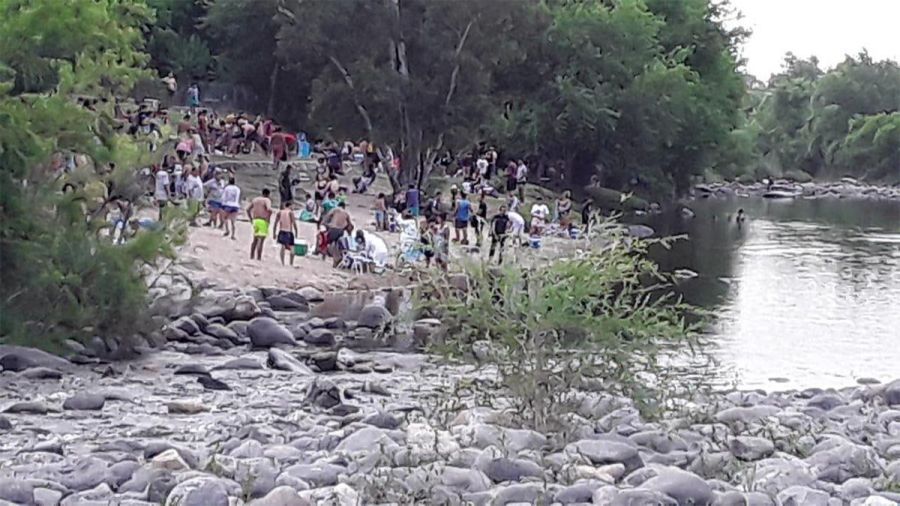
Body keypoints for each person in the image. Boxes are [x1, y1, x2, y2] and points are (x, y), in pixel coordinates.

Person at [321, 202, 353, 267]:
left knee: (325, 242)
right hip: (341, 231)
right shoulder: (346, 213)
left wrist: (324, 223)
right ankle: (335, 262)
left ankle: (323, 257)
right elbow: (350, 225)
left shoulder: (335, 209)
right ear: (344, 207)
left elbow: (328, 215)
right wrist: (350, 234)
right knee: (337, 246)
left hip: (333, 229)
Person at [247, 189, 273, 260]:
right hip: (263, 220)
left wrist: (251, 219)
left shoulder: (255, 200)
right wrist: (269, 216)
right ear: (268, 194)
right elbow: (269, 209)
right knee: (261, 240)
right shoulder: (267, 200)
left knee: (255, 239)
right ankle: (258, 257)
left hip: (255, 220)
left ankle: (251, 255)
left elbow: (248, 209)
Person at [273, 201, 298, 266]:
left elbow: (275, 223)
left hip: (281, 231)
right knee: (292, 247)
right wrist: (296, 231)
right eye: (292, 206)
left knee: (282, 247)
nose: (293, 207)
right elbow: (294, 223)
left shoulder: (280, 212)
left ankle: (282, 263)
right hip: (288, 231)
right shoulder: (290, 212)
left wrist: (274, 232)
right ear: (290, 206)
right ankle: (291, 263)